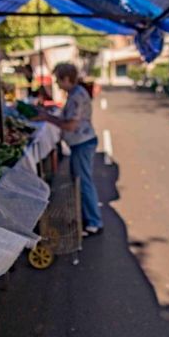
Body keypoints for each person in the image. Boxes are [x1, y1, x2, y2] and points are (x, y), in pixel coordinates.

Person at [34, 63, 103, 236]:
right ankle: (86, 218)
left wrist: (47, 118)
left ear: (66, 79)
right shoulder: (75, 93)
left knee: (83, 182)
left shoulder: (76, 96)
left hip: (82, 142)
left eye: (58, 80)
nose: (56, 84)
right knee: (79, 180)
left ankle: (94, 222)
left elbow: (71, 125)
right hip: (80, 142)